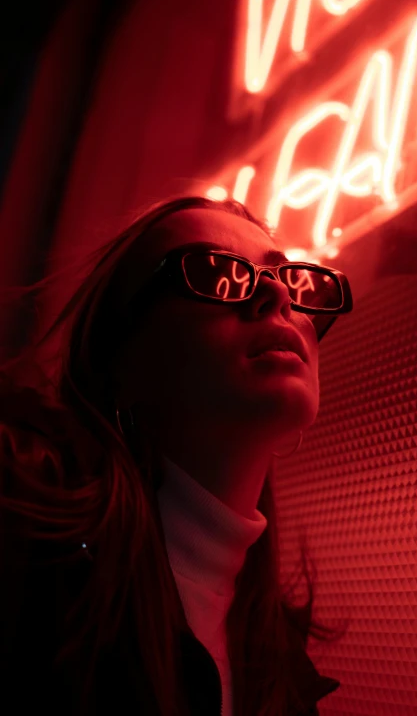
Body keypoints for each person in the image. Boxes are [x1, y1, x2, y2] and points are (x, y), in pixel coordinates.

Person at [0, 195, 353, 716]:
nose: (276, 294)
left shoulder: (280, 663)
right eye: (216, 273)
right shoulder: (23, 527)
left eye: (287, 279)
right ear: (121, 361)